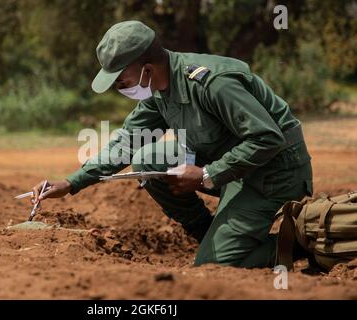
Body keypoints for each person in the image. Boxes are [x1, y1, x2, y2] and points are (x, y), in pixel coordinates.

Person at [32, 21, 313, 268]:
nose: (120, 89)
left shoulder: (212, 83)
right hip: (230, 162)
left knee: (215, 264)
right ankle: (209, 234)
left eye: (120, 81)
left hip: (273, 171)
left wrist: (207, 175)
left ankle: (304, 245)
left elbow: (268, 137)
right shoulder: (158, 90)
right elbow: (129, 141)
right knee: (148, 161)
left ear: (147, 70)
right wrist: (71, 183)